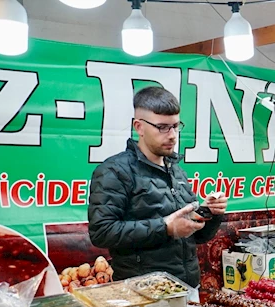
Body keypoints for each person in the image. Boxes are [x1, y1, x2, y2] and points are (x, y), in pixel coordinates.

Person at [88, 86, 227, 287]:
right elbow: (102, 232)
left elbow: (198, 237)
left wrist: (210, 213)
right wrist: (165, 228)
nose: (172, 135)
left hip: (187, 287)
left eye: (175, 126)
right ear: (139, 127)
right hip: (143, 293)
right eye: (162, 127)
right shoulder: (115, 171)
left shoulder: (176, 170)